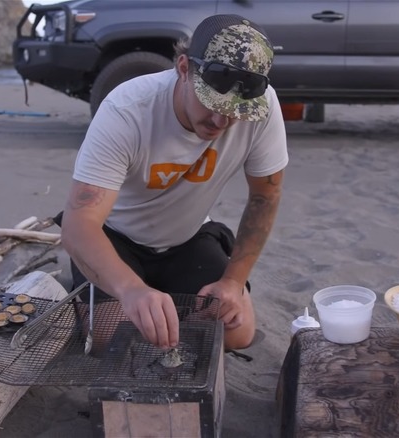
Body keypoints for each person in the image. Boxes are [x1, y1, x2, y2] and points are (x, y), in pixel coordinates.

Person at [59, 14, 288, 351]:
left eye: (236, 110)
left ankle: (161, 298)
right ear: (183, 68)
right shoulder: (128, 109)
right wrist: (131, 290)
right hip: (116, 237)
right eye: (211, 101)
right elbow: (78, 225)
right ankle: (103, 297)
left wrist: (232, 282)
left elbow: (265, 197)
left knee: (237, 334)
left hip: (187, 236)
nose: (220, 120)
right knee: (113, 338)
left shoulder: (262, 109)